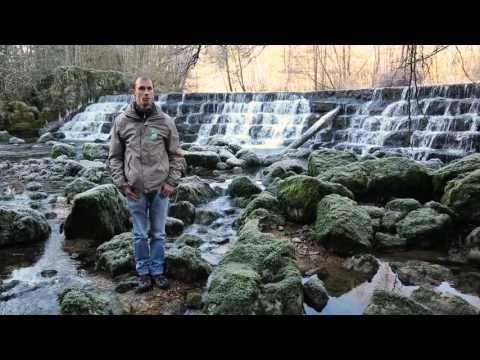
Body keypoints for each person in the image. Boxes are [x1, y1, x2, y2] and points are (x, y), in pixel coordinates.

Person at [108, 76, 186, 292]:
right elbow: (114, 157)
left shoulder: (165, 121)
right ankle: (143, 272)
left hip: (161, 188)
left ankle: (157, 271)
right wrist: (122, 184)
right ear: (134, 92)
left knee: (159, 234)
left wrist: (172, 182)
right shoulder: (122, 121)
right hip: (135, 189)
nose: (146, 93)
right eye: (141, 89)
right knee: (140, 234)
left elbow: (177, 155)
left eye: (149, 89)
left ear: (154, 91)